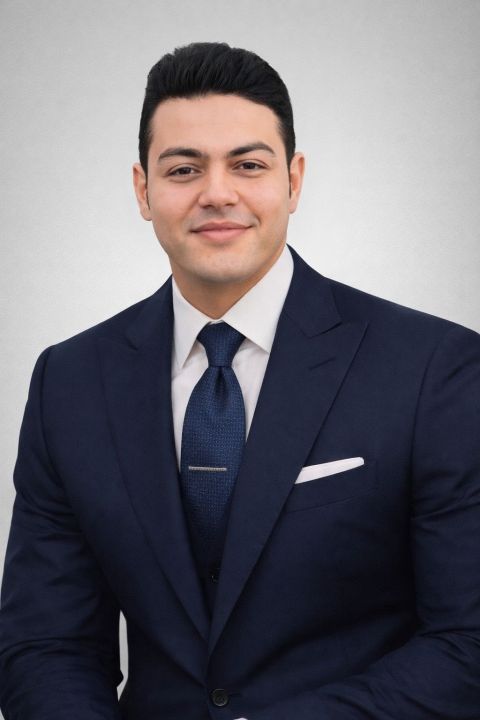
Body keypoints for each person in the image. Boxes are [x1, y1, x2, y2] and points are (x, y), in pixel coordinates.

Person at [0, 41, 479, 720]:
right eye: (184, 169)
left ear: (294, 180)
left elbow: (467, 642)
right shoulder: (70, 383)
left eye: (248, 165)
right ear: (143, 190)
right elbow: (47, 645)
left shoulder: (434, 368)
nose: (217, 193)